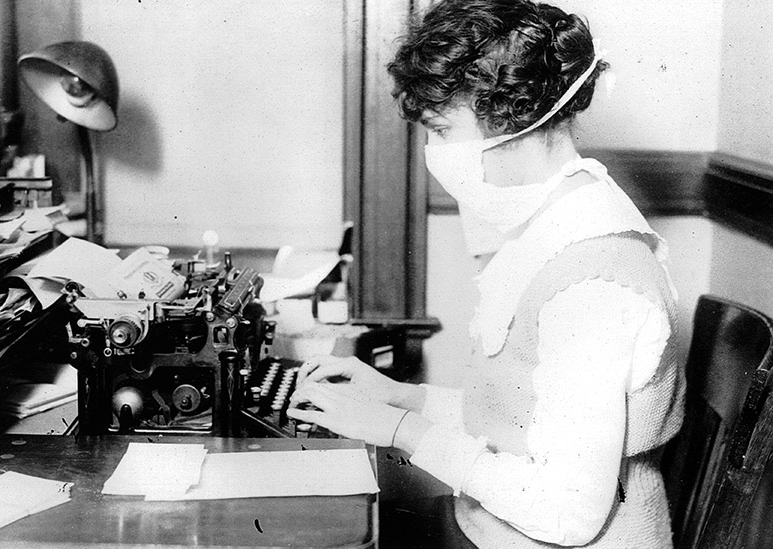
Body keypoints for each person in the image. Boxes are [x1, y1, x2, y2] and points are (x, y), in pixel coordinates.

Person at [287, 0, 685, 547]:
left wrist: (403, 431)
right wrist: (401, 397)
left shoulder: (594, 280)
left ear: (514, 119)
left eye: (443, 130)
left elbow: (567, 513)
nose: (435, 153)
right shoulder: (556, 224)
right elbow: (522, 418)